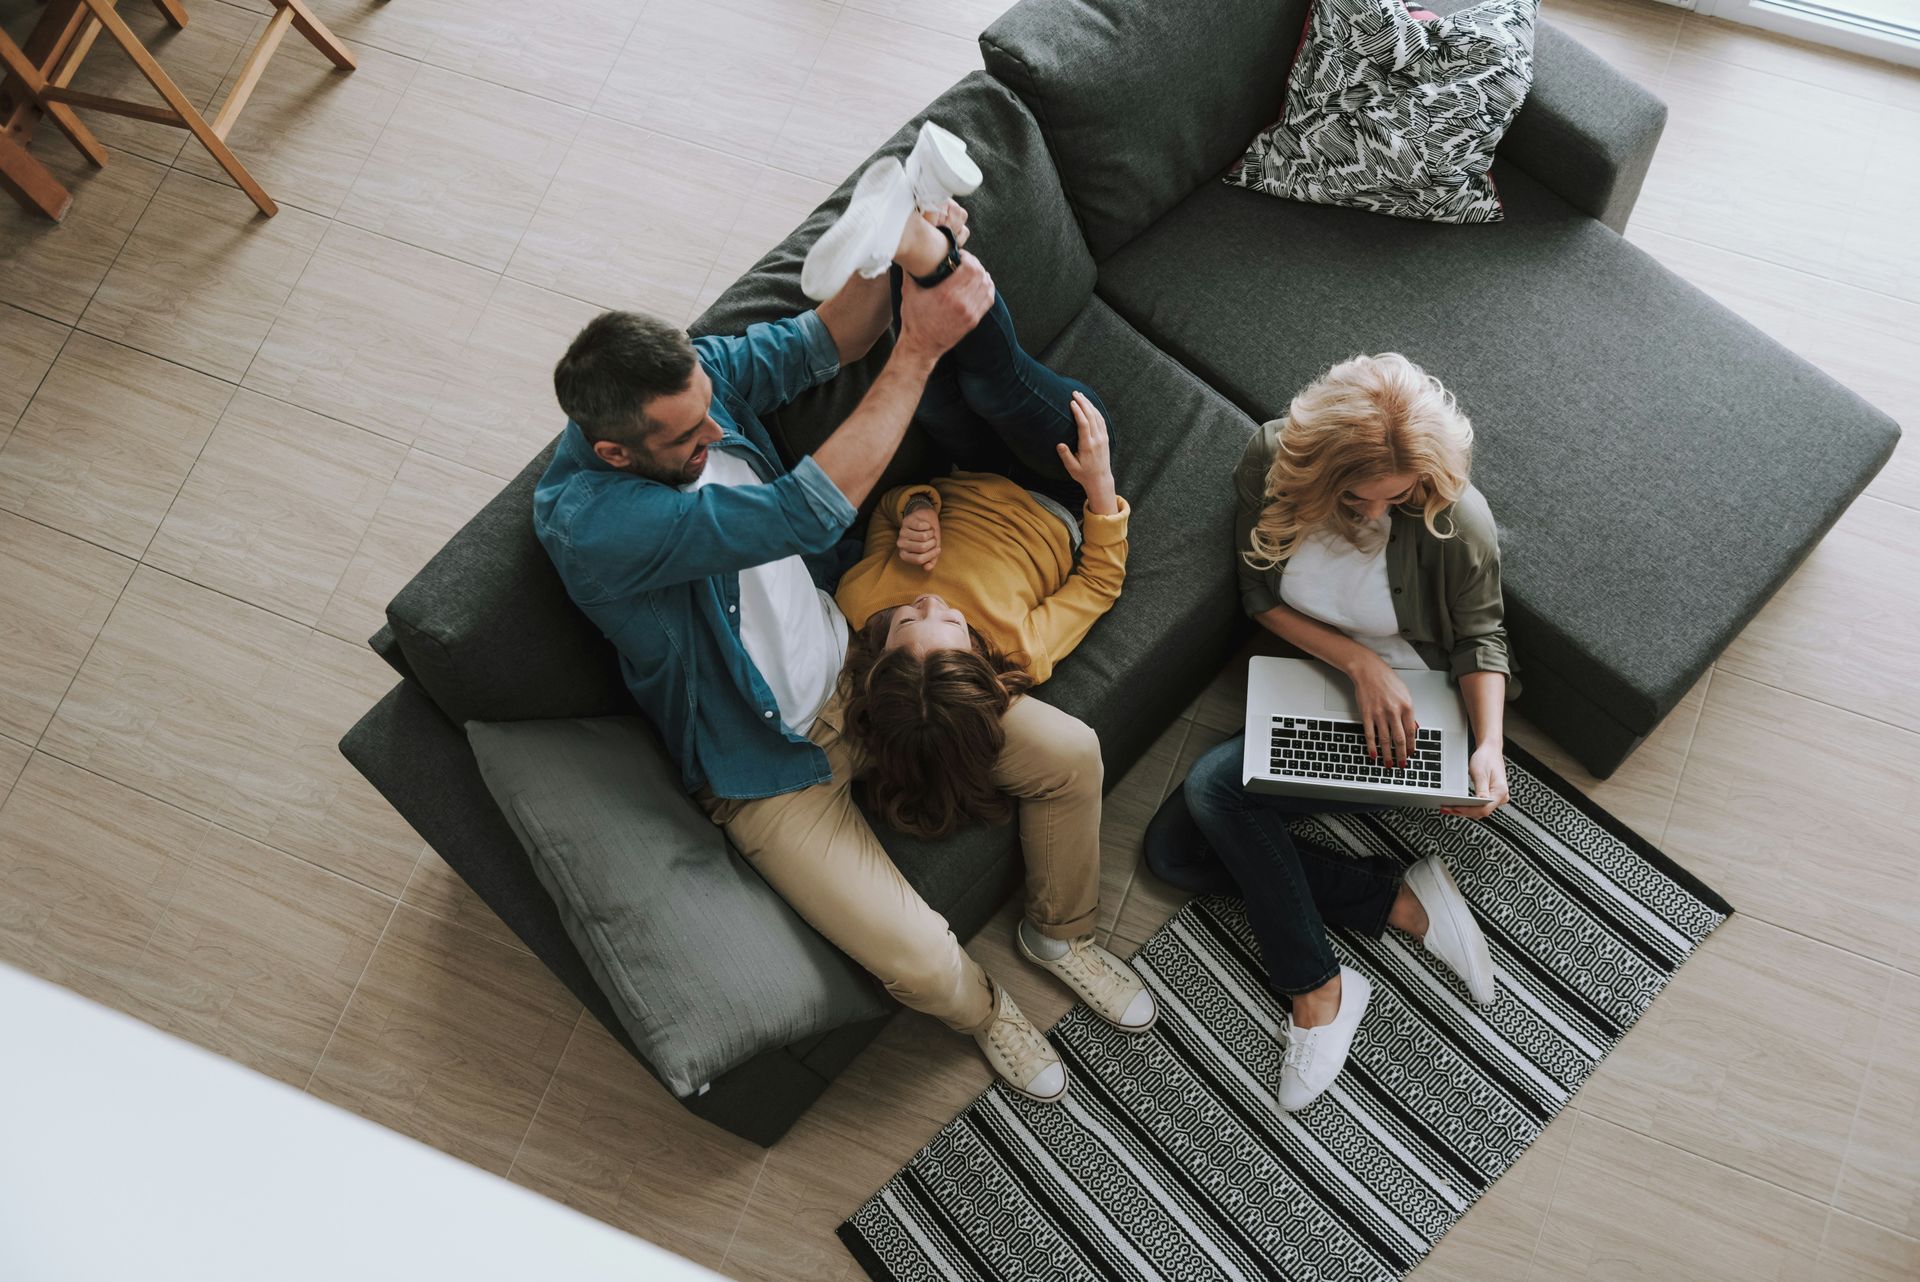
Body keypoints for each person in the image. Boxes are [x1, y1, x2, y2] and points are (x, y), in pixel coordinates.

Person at [534, 126, 1152, 1107]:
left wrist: (891, 264)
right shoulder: (593, 523)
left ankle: (1060, 933)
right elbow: (801, 511)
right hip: (767, 767)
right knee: (920, 961)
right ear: (616, 452)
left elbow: (832, 338)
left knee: (1068, 756)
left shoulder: (694, 387)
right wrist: (924, 347)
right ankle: (987, 1009)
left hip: (865, 666)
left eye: (710, 410)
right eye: (689, 438)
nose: (715, 432)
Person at [1144, 353, 1517, 1113]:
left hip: (1412, 709)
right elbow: (1259, 596)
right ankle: (1402, 904)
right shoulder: (1271, 457)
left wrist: (1487, 746)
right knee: (1170, 854)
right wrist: (1355, 663)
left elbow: (1483, 637)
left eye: (1396, 495)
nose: (1378, 511)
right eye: (1358, 496)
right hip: (1324, 681)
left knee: (1215, 792)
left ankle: (1317, 991)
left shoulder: (1453, 512)